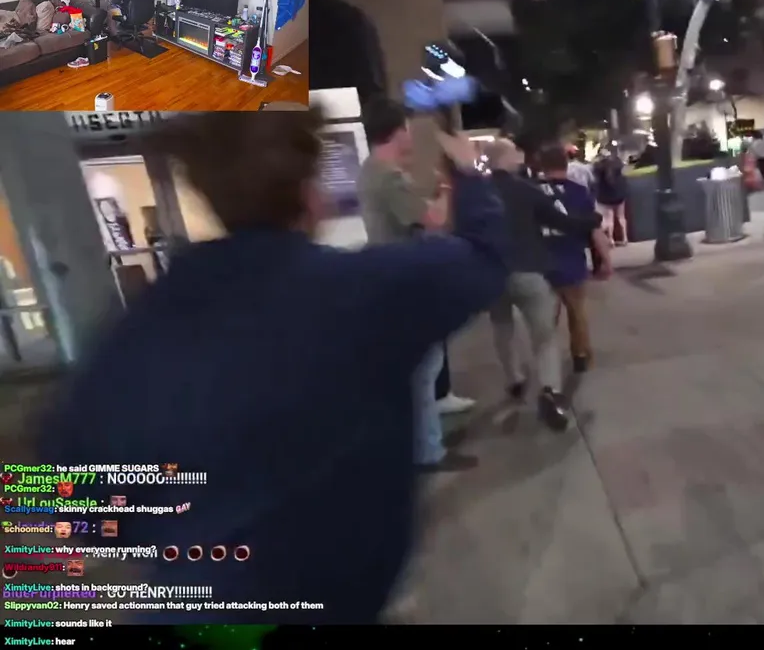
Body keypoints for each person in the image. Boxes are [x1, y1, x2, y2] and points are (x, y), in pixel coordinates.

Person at [37, 110, 508, 623]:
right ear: (310, 196)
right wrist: (470, 173)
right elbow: (483, 260)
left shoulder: (133, 332)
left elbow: (73, 497)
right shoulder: (362, 293)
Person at [357, 97, 477, 471]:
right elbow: (433, 220)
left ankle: (422, 442)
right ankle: (428, 452)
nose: (410, 137)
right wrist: (445, 190)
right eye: (406, 130)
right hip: (403, 283)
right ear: (396, 132)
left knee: (420, 370)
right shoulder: (389, 177)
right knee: (424, 371)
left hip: (392, 277)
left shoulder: (371, 171)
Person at [489, 137, 603, 430]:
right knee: (544, 336)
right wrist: (590, 221)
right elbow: (561, 221)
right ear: (506, 158)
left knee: (502, 328)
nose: (520, 156)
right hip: (528, 270)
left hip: (492, 272)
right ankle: (550, 391)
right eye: (516, 152)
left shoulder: (478, 192)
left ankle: (514, 378)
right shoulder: (525, 190)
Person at [536, 144, 613, 374]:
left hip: (542, 265)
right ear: (566, 163)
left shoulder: (532, 192)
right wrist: (606, 260)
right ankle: (580, 355)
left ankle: (547, 361)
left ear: (542, 166)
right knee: (577, 314)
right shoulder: (579, 192)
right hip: (572, 262)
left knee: (544, 319)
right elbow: (595, 230)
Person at [593, 149, 629, 246]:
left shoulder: (598, 167)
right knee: (621, 217)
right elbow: (624, 173)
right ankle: (625, 238)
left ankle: (611, 239)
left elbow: (594, 179)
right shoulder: (617, 164)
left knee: (609, 218)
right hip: (619, 195)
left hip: (606, 197)